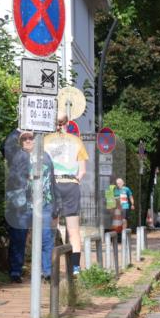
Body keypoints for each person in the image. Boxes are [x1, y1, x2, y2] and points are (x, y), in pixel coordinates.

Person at [4, 131, 60, 282]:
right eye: (25, 139)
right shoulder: (16, 156)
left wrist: (56, 203)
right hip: (23, 205)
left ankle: (47, 272)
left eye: (31, 138)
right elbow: (6, 145)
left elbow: (52, 181)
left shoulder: (46, 156)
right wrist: (19, 128)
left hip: (45, 204)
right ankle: (16, 272)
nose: (28, 141)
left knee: (46, 238)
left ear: (37, 140)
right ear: (20, 142)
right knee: (19, 238)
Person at [44, 115, 88, 275]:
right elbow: (82, 171)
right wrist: (75, 179)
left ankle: (48, 268)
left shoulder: (45, 140)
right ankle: (76, 267)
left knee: (50, 228)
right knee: (73, 229)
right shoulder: (77, 142)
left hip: (52, 185)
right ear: (68, 124)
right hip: (71, 185)